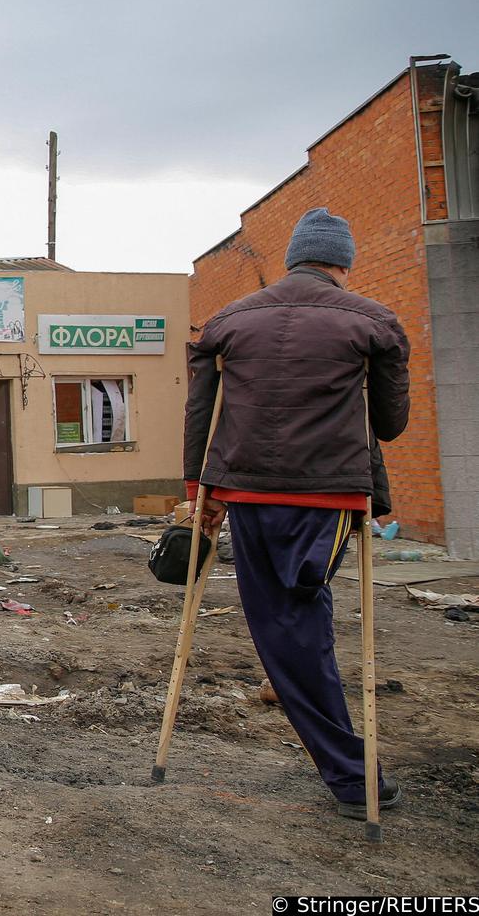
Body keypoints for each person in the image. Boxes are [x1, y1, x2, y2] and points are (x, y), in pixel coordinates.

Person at [183, 207, 410, 819]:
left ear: (292, 259)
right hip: (328, 497)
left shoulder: (228, 318)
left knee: (287, 624)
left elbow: (199, 412)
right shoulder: (374, 321)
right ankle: (351, 775)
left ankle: (349, 771)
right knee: (299, 619)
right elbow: (391, 423)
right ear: (343, 263)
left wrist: (196, 490)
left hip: (246, 494)